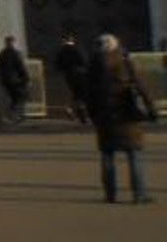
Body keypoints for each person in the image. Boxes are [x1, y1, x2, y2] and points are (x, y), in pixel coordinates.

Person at [84, 33, 153, 204]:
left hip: (105, 116)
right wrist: (150, 108)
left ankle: (110, 194)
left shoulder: (94, 65)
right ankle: (139, 194)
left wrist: (91, 114)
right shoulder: (125, 62)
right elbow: (140, 86)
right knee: (134, 155)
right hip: (127, 113)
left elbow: (88, 93)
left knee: (107, 156)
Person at [53, 33, 90, 125]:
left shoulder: (61, 51)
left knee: (75, 93)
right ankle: (80, 114)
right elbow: (84, 61)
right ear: (72, 40)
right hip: (80, 74)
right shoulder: (78, 49)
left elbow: (57, 65)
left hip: (68, 75)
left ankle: (73, 110)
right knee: (81, 94)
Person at [0, 36, 30, 124]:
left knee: (12, 97)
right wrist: (26, 78)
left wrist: (0, 78)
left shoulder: (2, 54)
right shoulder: (15, 53)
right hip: (16, 79)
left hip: (6, 79)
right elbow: (20, 66)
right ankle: (15, 115)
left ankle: (11, 115)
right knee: (19, 97)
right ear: (13, 42)